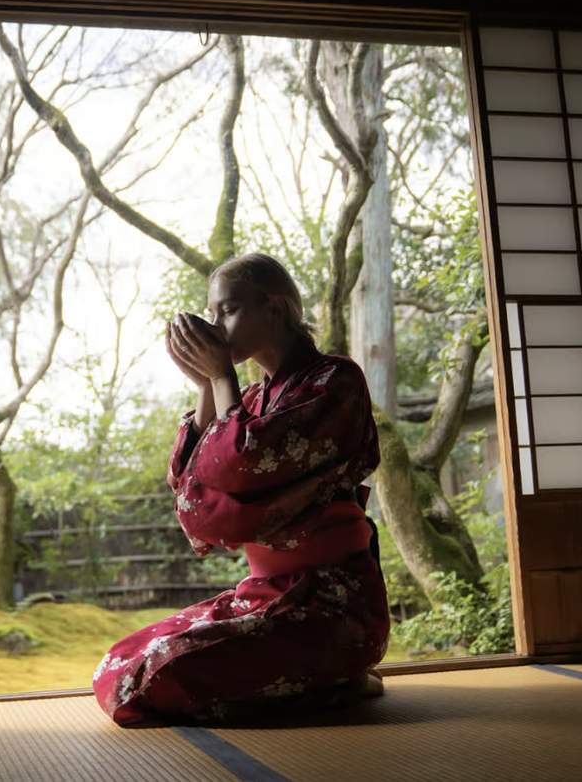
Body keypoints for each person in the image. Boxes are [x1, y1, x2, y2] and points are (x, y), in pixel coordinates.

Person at [92, 252, 390, 727]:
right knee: (122, 665)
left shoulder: (335, 381)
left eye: (227, 310)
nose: (215, 325)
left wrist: (221, 377)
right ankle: (323, 685)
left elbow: (242, 465)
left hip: (331, 604)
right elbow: (189, 473)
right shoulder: (251, 398)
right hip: (264, 592)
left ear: (274, 309)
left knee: (154, 682)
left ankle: (338, 676)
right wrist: (207, 384)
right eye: (212, 313)